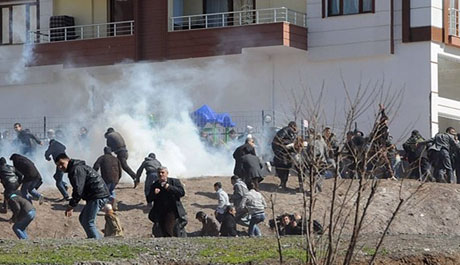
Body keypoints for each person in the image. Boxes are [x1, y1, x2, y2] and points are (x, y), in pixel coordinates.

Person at [55, 153, 110, 239]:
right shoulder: (75, 168)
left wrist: (71, 205)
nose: (60, 167)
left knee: (88, 221)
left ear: (68, 160)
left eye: (62, 164)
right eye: (58, 166)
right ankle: (98, 239)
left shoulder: (76, 169)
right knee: (83, 218)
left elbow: (78, 189)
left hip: (97, 195)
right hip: (95, 195)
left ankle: (97, 242)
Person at [147, 166, 187, 237]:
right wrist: (154, 193)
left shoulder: (174, 182)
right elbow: (149, 199)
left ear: (167, 173)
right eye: (159, 173)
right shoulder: (155, 185)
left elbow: (181, 193)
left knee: (172, 229)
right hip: (160, 211)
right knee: (162, 230)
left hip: (172, 211)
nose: (161, 174)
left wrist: (169, 187)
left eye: (163, 172)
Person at [44, 129, 69, 201]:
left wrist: (48, 158)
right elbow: (64, 147)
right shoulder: (59, 145)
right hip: (66, 162)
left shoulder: (52, 145)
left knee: (58, 183)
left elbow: (47, 153)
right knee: (55, 176)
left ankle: (66, 196)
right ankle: (64, 185)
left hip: (61, 164)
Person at [271, 121, 297, 189]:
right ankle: (283, 183)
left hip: (282, 153)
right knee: (284, 169)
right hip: (282, 153)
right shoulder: (287, 130)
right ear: (293, 126)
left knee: (284, 169)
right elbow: (280, 140)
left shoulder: (286, 131)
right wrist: (289, 144)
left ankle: (283, 183)